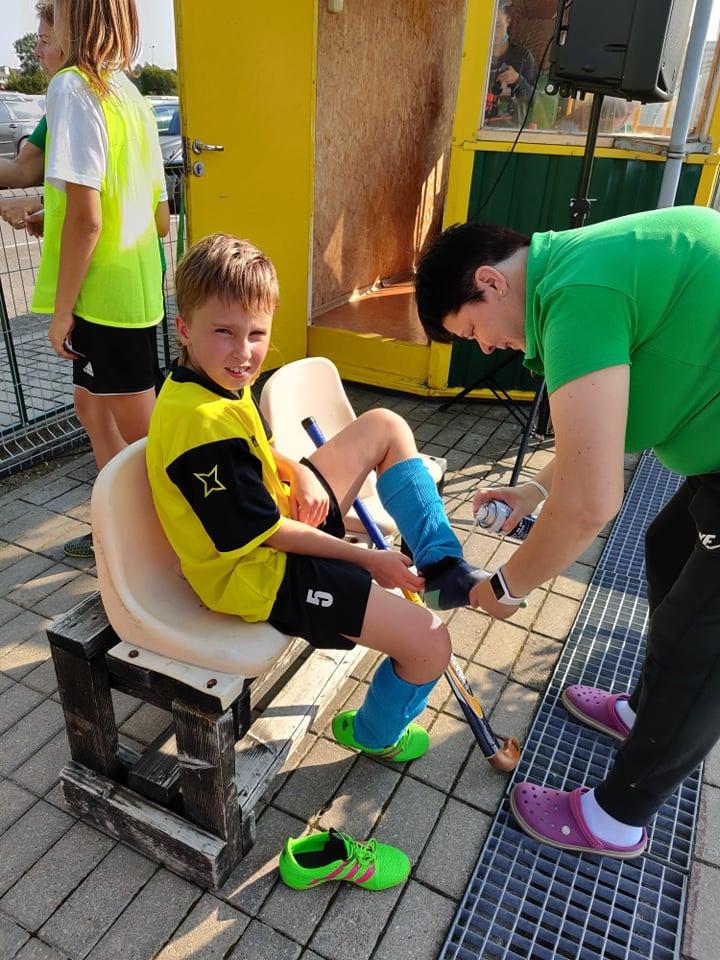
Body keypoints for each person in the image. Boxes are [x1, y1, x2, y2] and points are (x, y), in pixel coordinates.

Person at [414, 205, 720, 859]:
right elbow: (601, 435)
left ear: (490, 282)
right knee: (667, 546)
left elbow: (590, 503)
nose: (485, 348)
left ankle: (618, 819)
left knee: (697, 646)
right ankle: (644, 711)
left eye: (473, 330)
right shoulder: (577, 268)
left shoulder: (575, 297)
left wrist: (507, 586)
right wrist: (531, 491)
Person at [146, 233, 489, 770]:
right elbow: (267, 535)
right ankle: (375, 734)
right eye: (223, 332)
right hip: (257, 575)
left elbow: (255, 449)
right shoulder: (199, 424)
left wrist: (296, 471)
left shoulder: (211, 378)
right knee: (430, 646)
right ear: (184, 329)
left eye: (256, 333)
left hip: (281, 518)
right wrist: (367, 558)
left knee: (384, 425)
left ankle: (442, 562)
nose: (243, 353)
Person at [31, 0, 169, 559]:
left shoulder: (72, 87)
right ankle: (122, 527)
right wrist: (53, 217)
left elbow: (88, 220)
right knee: (92, 409)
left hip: (104, 300)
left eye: (54, 13)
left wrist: (62, 312)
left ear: (75, 16)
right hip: (133, 291)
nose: (44, 28)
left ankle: (185, 544)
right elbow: (159, 217)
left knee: (153, 443)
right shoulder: (129, 94)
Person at [0, 1, 63, 233]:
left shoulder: (71, 98)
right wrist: (47, 210)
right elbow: (22, 170)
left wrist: (45, 205)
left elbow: (88, 210)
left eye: (45, 41)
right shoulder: (130, 98)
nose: (36, 52)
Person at [485, 2, 537, 128]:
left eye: (498, 25)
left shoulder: (523, 57)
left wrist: (518, 79)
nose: (494, 32)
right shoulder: (475, 55)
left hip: (510, 133)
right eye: (489, 25)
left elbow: (536, 100)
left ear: (508, 21)